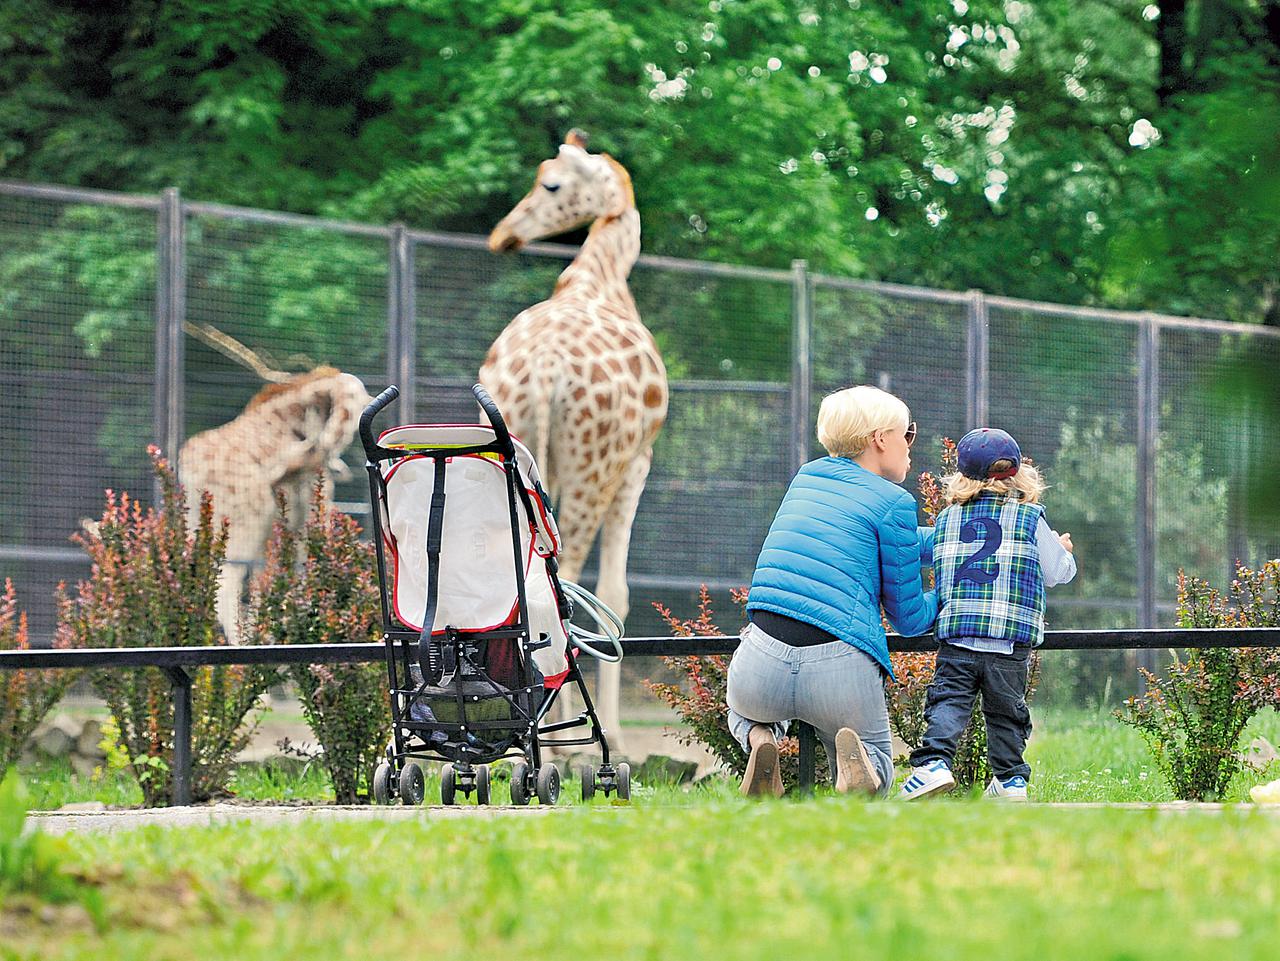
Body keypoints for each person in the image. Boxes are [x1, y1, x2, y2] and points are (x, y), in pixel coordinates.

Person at [728, 385, 938, 798]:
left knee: (741, 711)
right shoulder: (893, 501)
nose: (910, 445)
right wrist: (951, 586)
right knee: (875, 758)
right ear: (881, 439)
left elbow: (880, 536)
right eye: (907, 434)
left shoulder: (806, 478)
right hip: (838, 669)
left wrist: (952, 541)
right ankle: (855, 770)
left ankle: (761, 741)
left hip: (761, 663)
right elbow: (911, 619)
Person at [900, 428, 1077, 802]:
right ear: (1019, 473)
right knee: (1006, 712)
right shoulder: (1031, 518)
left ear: (961, 477)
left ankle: (932, 765)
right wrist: (1063, 550)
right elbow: (1056, 573)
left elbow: (935, 553)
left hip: (959, 636)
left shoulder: (948, 519)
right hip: (1008, 642)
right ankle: (1011, 781)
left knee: (949, 702)